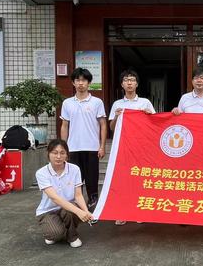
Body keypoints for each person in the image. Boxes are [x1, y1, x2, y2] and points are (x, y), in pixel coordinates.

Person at [109, 69, 156, 225]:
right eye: (126, 80)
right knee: (122, 180)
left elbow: (154, 124)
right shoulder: (117, 104)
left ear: (137, 84)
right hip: (122, 147)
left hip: (141, 147)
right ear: (122, 84)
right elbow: (112, 128)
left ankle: (138, 211)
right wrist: (116, 116)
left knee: (139, 179)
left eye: (132, 80)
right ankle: (122, 212)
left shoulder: (145, 102)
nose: (129, 83)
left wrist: (149, 115)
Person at [60, 67, 107, 211]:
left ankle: (93, 206)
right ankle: (76, 207)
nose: (81, 83)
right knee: (75, 180)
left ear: (89, 83)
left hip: (92, 148)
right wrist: (63, 149)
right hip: (73, 148)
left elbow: (103, 124)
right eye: (77, 80)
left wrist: (102, 146)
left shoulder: (97, 102)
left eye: (84, 80)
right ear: (73, 83)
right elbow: (64, 126)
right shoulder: (67, 103)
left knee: (92, 179)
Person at [35, 139, 93, 248]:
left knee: (71, 211)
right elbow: (55, 198)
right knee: (55, 234)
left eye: (62, 153)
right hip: (48, 211)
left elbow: (78, 195)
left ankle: (72, 236)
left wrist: (85, 211)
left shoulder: (75, 169)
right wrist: (79, 212)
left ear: (67, 154)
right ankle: (55, 231)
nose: (58, 156)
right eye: (55, 153)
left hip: (68, 209)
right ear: (48, 154)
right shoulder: (41, 173)